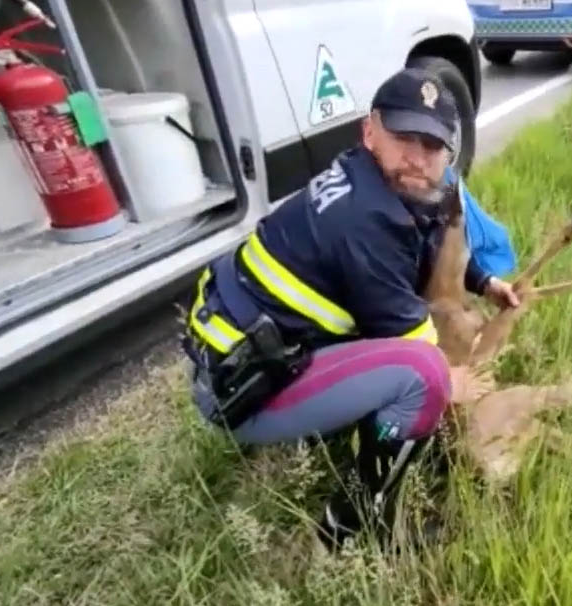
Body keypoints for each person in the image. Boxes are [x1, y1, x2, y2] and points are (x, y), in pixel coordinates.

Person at [181, 67, 520, 550]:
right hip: (241, 388)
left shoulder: (376, 180)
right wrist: (456, 381)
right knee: (424, 376)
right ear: (370, 130)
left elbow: (422, 244)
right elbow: (418, 338)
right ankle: (356, 525)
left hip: (251, 348)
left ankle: (339, 436)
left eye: (432, 146)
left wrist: (483, 281)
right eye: (404, 137)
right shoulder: (364, 220)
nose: (417, 158)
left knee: (411, 363)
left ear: (447, 153)